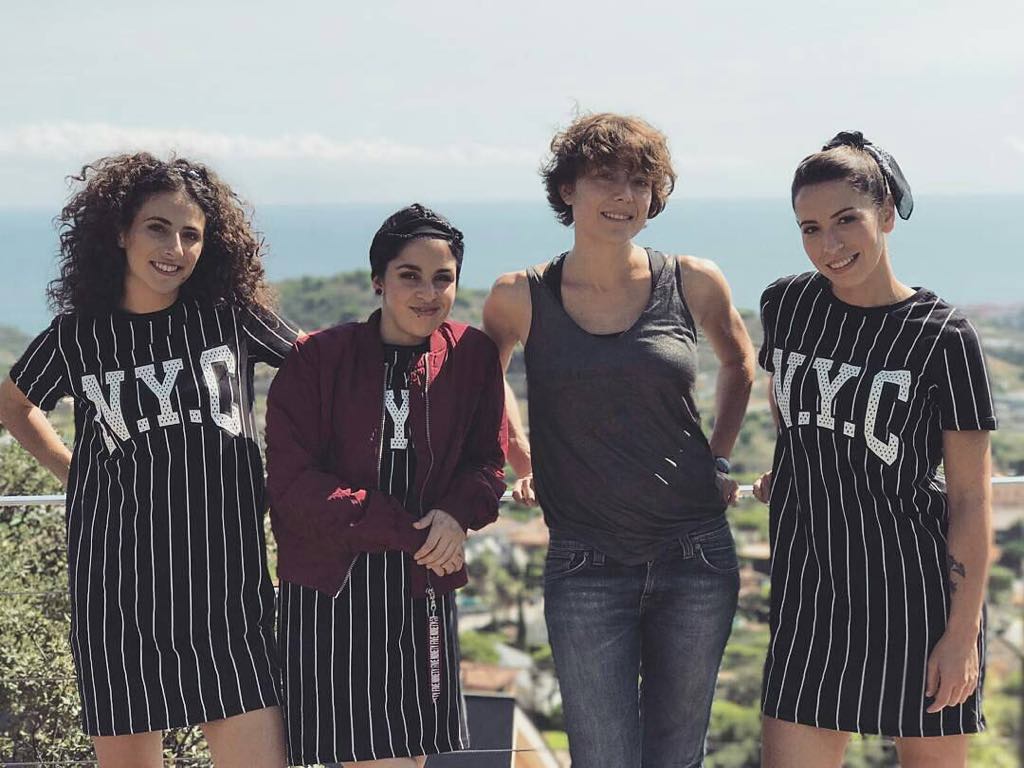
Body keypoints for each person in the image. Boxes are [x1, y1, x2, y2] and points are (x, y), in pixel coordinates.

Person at [0, 154, 299, 767]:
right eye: (157, 228)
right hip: (117, 591)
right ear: (120, 233)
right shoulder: (78, 336)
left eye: (191, 234)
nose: (175, 249)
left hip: (228, 586)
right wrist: (71, 471)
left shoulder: (231, 320)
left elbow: (326, 372)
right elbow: (13, 403)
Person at [483, 113, 755, 767]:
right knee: (602, 758)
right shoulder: (519, 295)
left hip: (695, 555)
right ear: (567, 189)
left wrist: (719, 456)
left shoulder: (693, 280)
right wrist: (522, 458)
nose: (624, 195)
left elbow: (740, 363)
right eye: (605, 177)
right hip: (585, 562)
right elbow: (485, 382)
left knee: (676, 756)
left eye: (639, 181)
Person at [753, 131, 997, 768]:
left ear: (885, 214)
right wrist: (795, 464)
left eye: (846, 221)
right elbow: (790, 407)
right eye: (810, 229)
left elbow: (971, 500)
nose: (828, 246)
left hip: (916, 601)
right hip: (809, 599)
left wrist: (962, 635)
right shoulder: (787, 304)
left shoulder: (945, 339)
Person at [265, 203, 506, 767]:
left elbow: (487, 464)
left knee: (409, 757)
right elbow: (293, 485)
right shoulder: (318, 359)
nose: (428, 293)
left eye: (443, 278)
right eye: (409, 275)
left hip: (424, 588)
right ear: (378, 280)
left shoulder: (472, 356)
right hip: (332, 591)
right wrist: (412, 531)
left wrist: (456, 514)